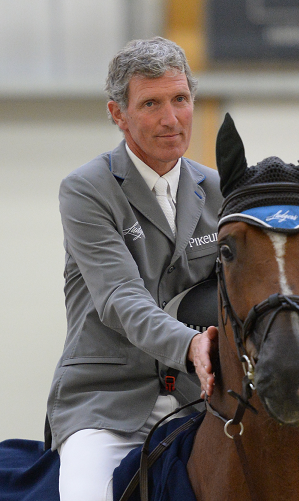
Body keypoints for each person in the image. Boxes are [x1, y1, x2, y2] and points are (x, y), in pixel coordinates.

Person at [45, 37, 222, 501]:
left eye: (180, 99)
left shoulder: (220, 190)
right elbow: (121, 298)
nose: (171, 119)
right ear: (117, 114)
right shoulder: (87, 190)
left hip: (198, 398)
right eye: (151, 104)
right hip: (107, 401)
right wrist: (191, 344)